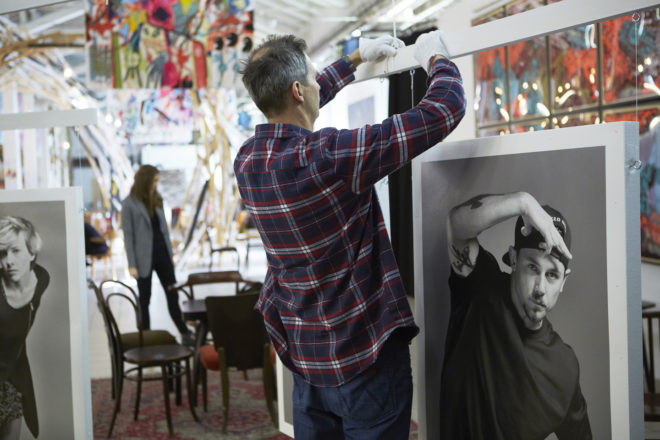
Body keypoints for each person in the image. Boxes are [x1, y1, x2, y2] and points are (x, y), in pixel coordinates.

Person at [234, 30, 465, 438]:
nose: (317, 84)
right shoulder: (331, 156)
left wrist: (355, 58)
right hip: (364, 359)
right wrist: (437, 60)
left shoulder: (248, 162)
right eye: (311, 78)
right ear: (297, 91)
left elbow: (305, 97)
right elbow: (443, 110)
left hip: (308, 361)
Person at [441, 191, 592, 439]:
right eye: (532, 267)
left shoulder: (564, 366)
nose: (540, 288)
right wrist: (523, 202)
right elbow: (456, 226)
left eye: (552, 275)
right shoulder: (481, 291)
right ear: (513, 259)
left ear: (563, 281)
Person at [121, 165, 193, 345]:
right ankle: (145, 337)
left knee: (172, 294)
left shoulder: (157, 198)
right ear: (145, 181)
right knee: (144, 299)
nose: (156, 185)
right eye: (154, 181)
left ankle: (184, 332)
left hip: (162, 253)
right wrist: (131, 264)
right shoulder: (129, 204)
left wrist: (170, 254)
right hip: (143, 257)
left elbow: (164, 230)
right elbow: (128, 236)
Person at [0, 216, 49, 439]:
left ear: (32, 253)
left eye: (16, 251)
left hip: (12, 379)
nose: (8, 261)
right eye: (2, 253)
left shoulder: (42, 278)